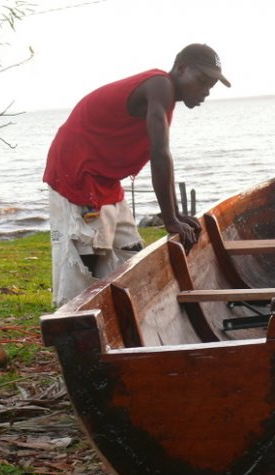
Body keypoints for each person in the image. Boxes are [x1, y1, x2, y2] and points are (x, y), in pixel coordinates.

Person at [43, 43, 231, 307]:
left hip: (104, 177)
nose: (204, 91)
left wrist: (176, 214)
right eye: (201, 81)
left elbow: (162, 153)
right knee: (86, 256)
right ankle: (73, 318)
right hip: (76, 171)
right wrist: (170, 218)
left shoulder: (164, 93)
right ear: (180, 68)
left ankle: (115, 315)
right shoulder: (160, 85)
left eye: (209, 87)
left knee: (128, 253)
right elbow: (160, 153)